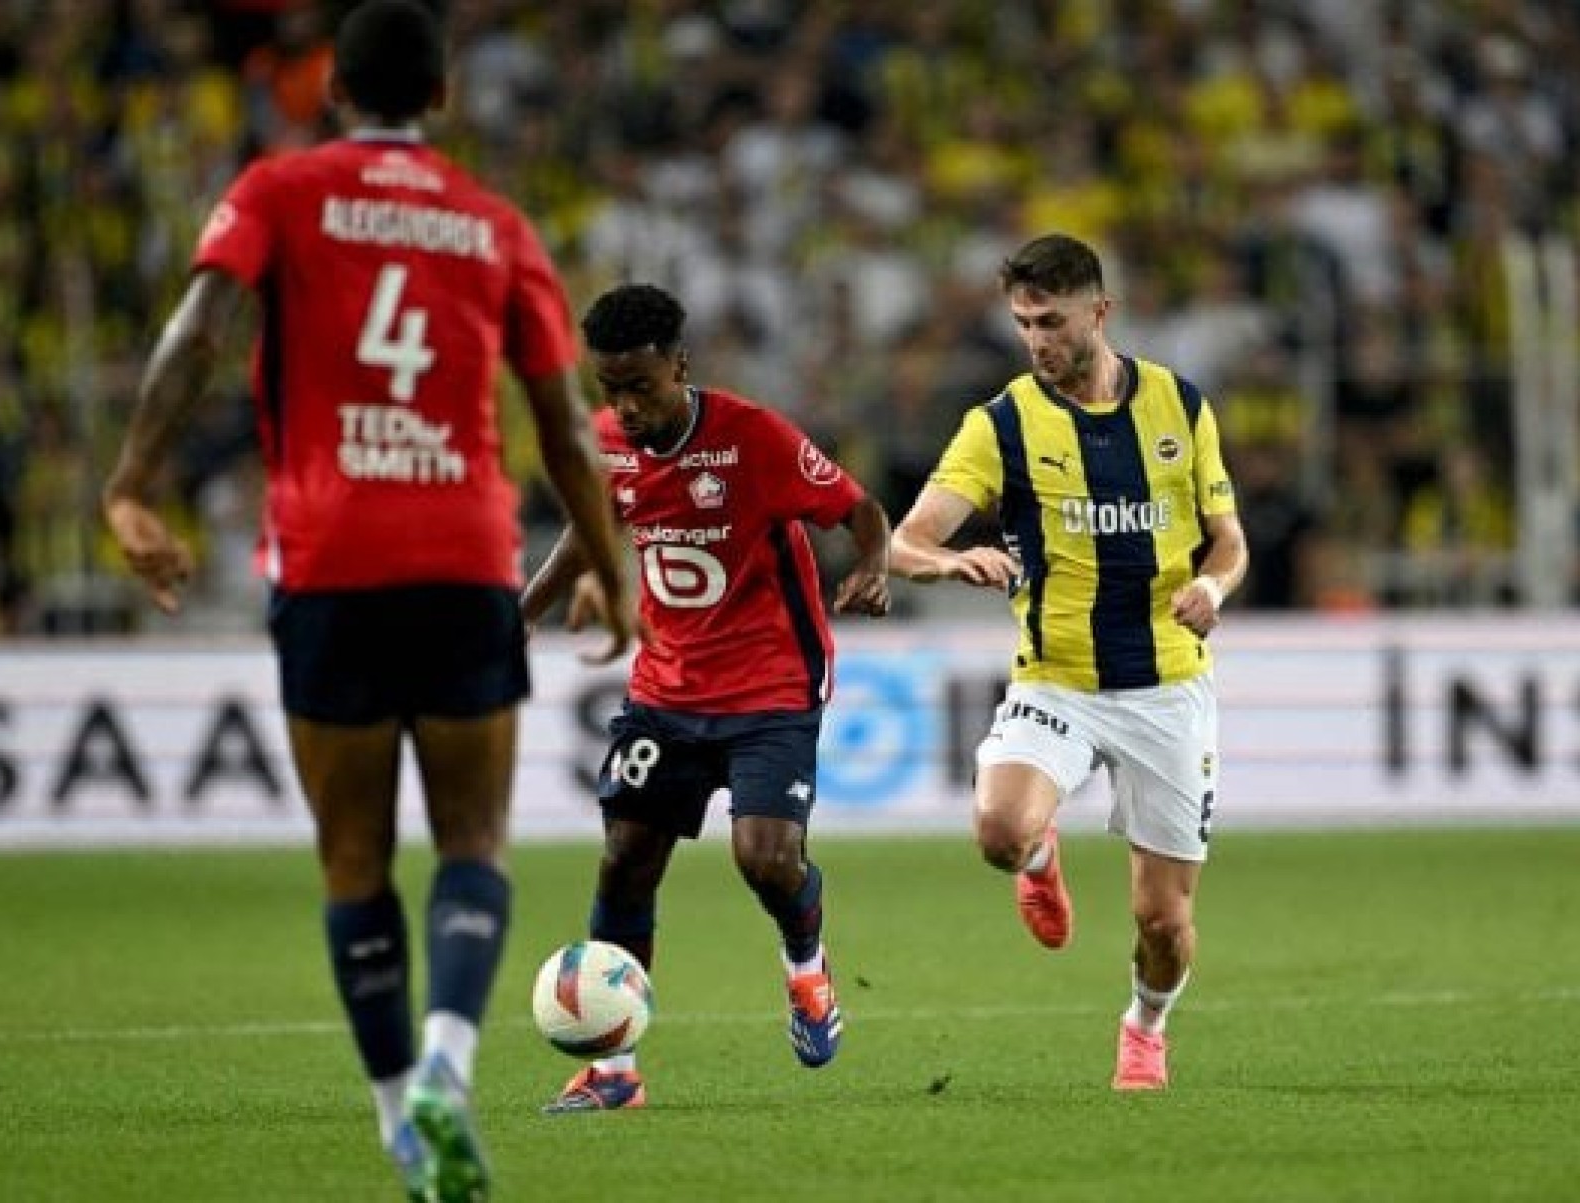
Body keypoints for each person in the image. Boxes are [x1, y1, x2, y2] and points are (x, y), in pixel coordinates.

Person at [101, 3, 631, 1199]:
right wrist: (607, 561)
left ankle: (403, 1115)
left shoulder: (279, 192)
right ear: (443, 99)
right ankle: (449, 1063)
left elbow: (196, 332)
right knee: (474, 847)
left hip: (331, 559)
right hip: (461, 557)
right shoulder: (494, 228)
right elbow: (559, 422)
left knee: (354, 864)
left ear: (332, 91)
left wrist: (134, 485)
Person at [888, 234, 1247, 1092]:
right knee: (999, 831)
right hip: (1057, 679)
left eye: (1050, 321)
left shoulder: (1181, 406)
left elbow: (1228, 539)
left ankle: (1145, 1025)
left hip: (1167, 687)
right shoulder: (1001, 423)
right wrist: (951, 561)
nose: (1037, 341)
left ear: (1099, 312)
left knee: (1163, 920)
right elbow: (904, 543)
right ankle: (1041, 855)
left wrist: (1214, 588)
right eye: (1022, 324)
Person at [521, 282, 891, 1112]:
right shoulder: (607, 442)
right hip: (665, 685)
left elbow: (859, 509)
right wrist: (524, 613)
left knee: (764, 857)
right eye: (610, 388)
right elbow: (591, 529)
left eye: (641, 386)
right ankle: (613, 1072)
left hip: (771, 683)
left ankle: (806, 966)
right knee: (625, 856)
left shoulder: (752, 437)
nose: (627, 405)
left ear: (679, 366)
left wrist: (873, 564)